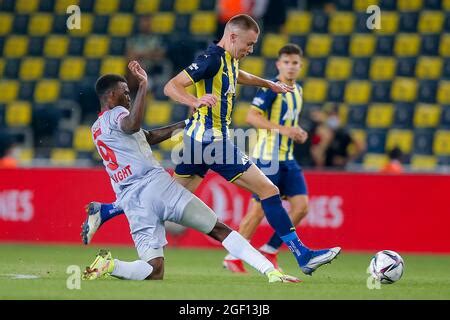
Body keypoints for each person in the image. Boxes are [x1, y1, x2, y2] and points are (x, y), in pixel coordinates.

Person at [83, 15, 340, 277]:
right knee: (268, 190)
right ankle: (303, 255)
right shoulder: (211, 58)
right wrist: (193, 102)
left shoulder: (228, 61)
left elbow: (237, 75)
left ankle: (108, 210)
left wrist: (268, 83)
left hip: (197, 144)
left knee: (166, 199)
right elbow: (173, 87)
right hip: (211, 141)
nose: (250, 50)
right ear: (232, 37)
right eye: (248, 44)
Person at [82, 62, 301, 283]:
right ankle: (270, 271)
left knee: (154, 270)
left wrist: (188, 123)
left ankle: (110, 265)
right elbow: (132, 125)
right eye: (125, 93)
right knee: (218, 229)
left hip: (132, 203)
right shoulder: (119, 113)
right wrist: (143, 86)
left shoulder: (96, 129)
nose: (128, 98)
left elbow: (145, 137)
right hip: (157, 188)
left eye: (130, 93)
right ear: (110, 96)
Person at [223, 44, 310, 273]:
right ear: (278, 65)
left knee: (301, 207)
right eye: (286, 62)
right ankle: (233, 256)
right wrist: (283, 129)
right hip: (267, 158)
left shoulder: (298, 91)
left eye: (295, 63)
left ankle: (270, 250)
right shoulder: (272, 89)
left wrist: (297, 131)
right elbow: (252, 117)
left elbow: (289, 124)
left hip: (288, 159)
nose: (291, 67)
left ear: (300, 66)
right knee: (258, 211)